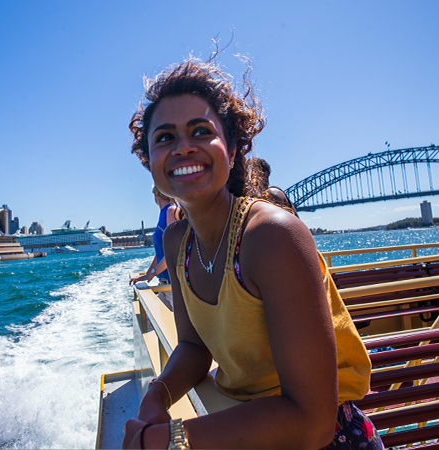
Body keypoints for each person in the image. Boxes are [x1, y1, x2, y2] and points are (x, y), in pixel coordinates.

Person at [122, 57, 381, 449]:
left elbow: (313, 422)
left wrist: (170, 440)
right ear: (150, 162)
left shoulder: (272, 236)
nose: (184, 146)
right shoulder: (177, 242)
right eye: (165, 137)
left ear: (232, 146)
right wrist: (156, 397)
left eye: (200, 130)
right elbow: (195, 347)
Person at [130, 186, 182, 310]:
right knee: (154, 321)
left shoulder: (171, 211)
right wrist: (148, 274)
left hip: (175, 287)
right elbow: (162, 251)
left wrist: (152, 274)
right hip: (164, 285)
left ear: (155, 196)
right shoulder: (164, 212)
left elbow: (173, 250)